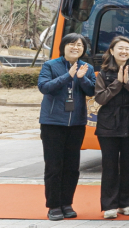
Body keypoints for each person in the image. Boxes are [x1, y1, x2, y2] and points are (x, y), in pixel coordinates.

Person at [38, 33, 96, 221]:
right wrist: (68, 75)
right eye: (71, 44)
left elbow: (92, 91)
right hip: (52, 123)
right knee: (54, 166)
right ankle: (54, 206)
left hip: (77, 123)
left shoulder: (87, 68)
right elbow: (44, 87)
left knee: (72, 167)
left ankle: (67, 203)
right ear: (63, 47)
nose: (75, 47)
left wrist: (81, 78)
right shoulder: (50, 65)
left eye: (79, 45)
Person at [94, 36, 129, 219]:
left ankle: (127, 203)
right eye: (120, 48)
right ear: (112, 51)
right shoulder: (104, 73)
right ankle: (109, 205)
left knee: (128, 165)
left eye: (127, 49)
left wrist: (128, 82)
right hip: (108, 124)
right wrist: (118, 83)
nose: (124, 51)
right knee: (109, 165)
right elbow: (100, 98)